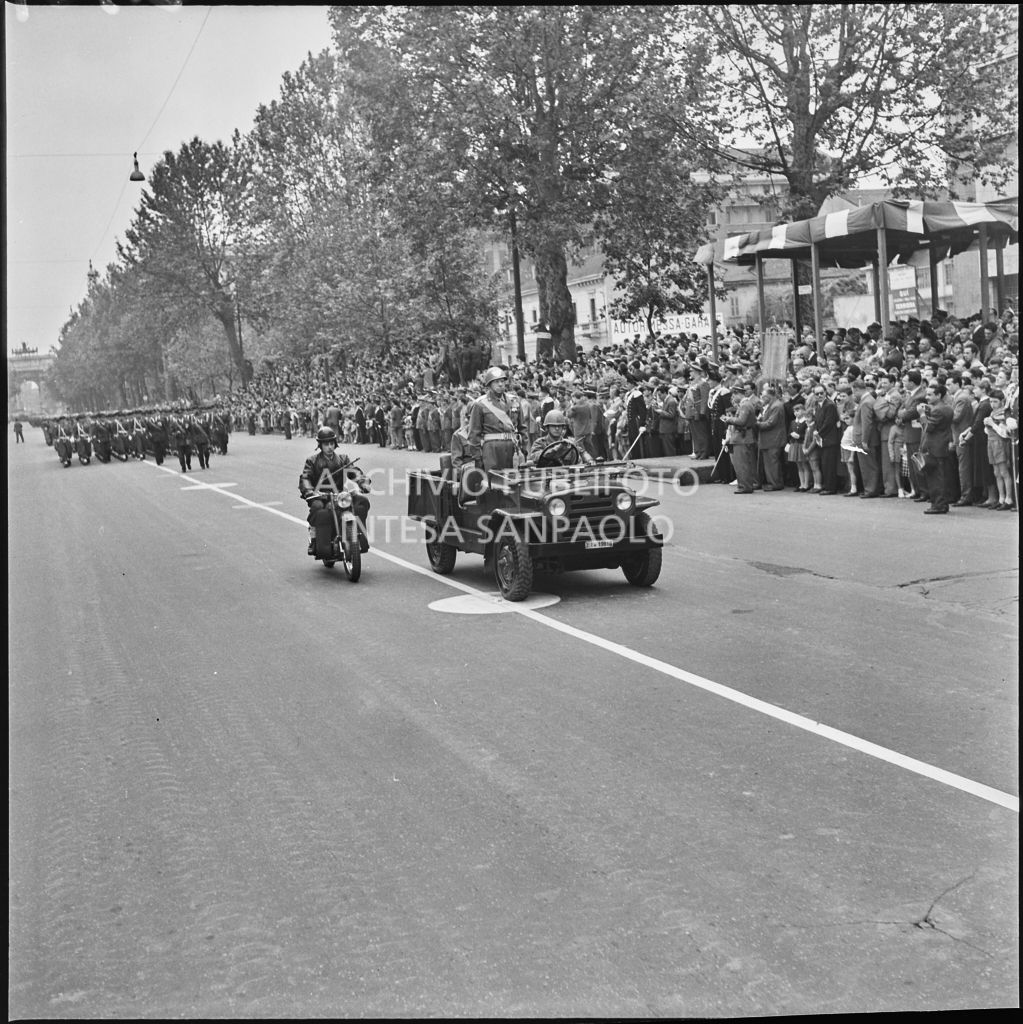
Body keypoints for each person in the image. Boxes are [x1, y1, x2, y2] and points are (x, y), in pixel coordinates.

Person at [299, 426, 371, 555]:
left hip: (340, 495)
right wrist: (310, 492)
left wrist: (363, 482)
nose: (330, 447)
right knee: (318, 508)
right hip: (320, 496)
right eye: (326, 444)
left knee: (362, 501)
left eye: (332, 443)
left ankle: (360, 538)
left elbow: (353, 472)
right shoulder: (312, 461)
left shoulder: (343, 459)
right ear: (320, 445)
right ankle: (314, 538)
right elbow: (306, 478)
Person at [467, 365, 525, 470]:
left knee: (513, 479)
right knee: (493, 480)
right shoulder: (480, 404)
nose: (500, 384)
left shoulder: (514, 401)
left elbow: (523, 428)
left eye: (502, 381)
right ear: (489, 385)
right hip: (491, 448)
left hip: (512, 446)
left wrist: (524, 448)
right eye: (496, 382)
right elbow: (474, 433)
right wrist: (477, 457)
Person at [918, 382, 953, 514]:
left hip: (935, 447)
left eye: (930, 394)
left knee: (935, 478)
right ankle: (941, 504)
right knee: (940, 477)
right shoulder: (947, 407)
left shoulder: (938, 410)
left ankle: (938, 505)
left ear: (939, 395)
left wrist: (922, 414)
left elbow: (928, 427)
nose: (927, 397)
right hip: (941, 445)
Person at [528, 408, 595, 466]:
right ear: (547, 427)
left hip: (567, 476)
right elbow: (536, 456)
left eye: (559, 426)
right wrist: (557, 449)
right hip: (547, 476)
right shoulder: (540, 443)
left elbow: (582, 452)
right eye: (553, 426)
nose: (557, 428)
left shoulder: (569, 443)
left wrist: (590, 460)